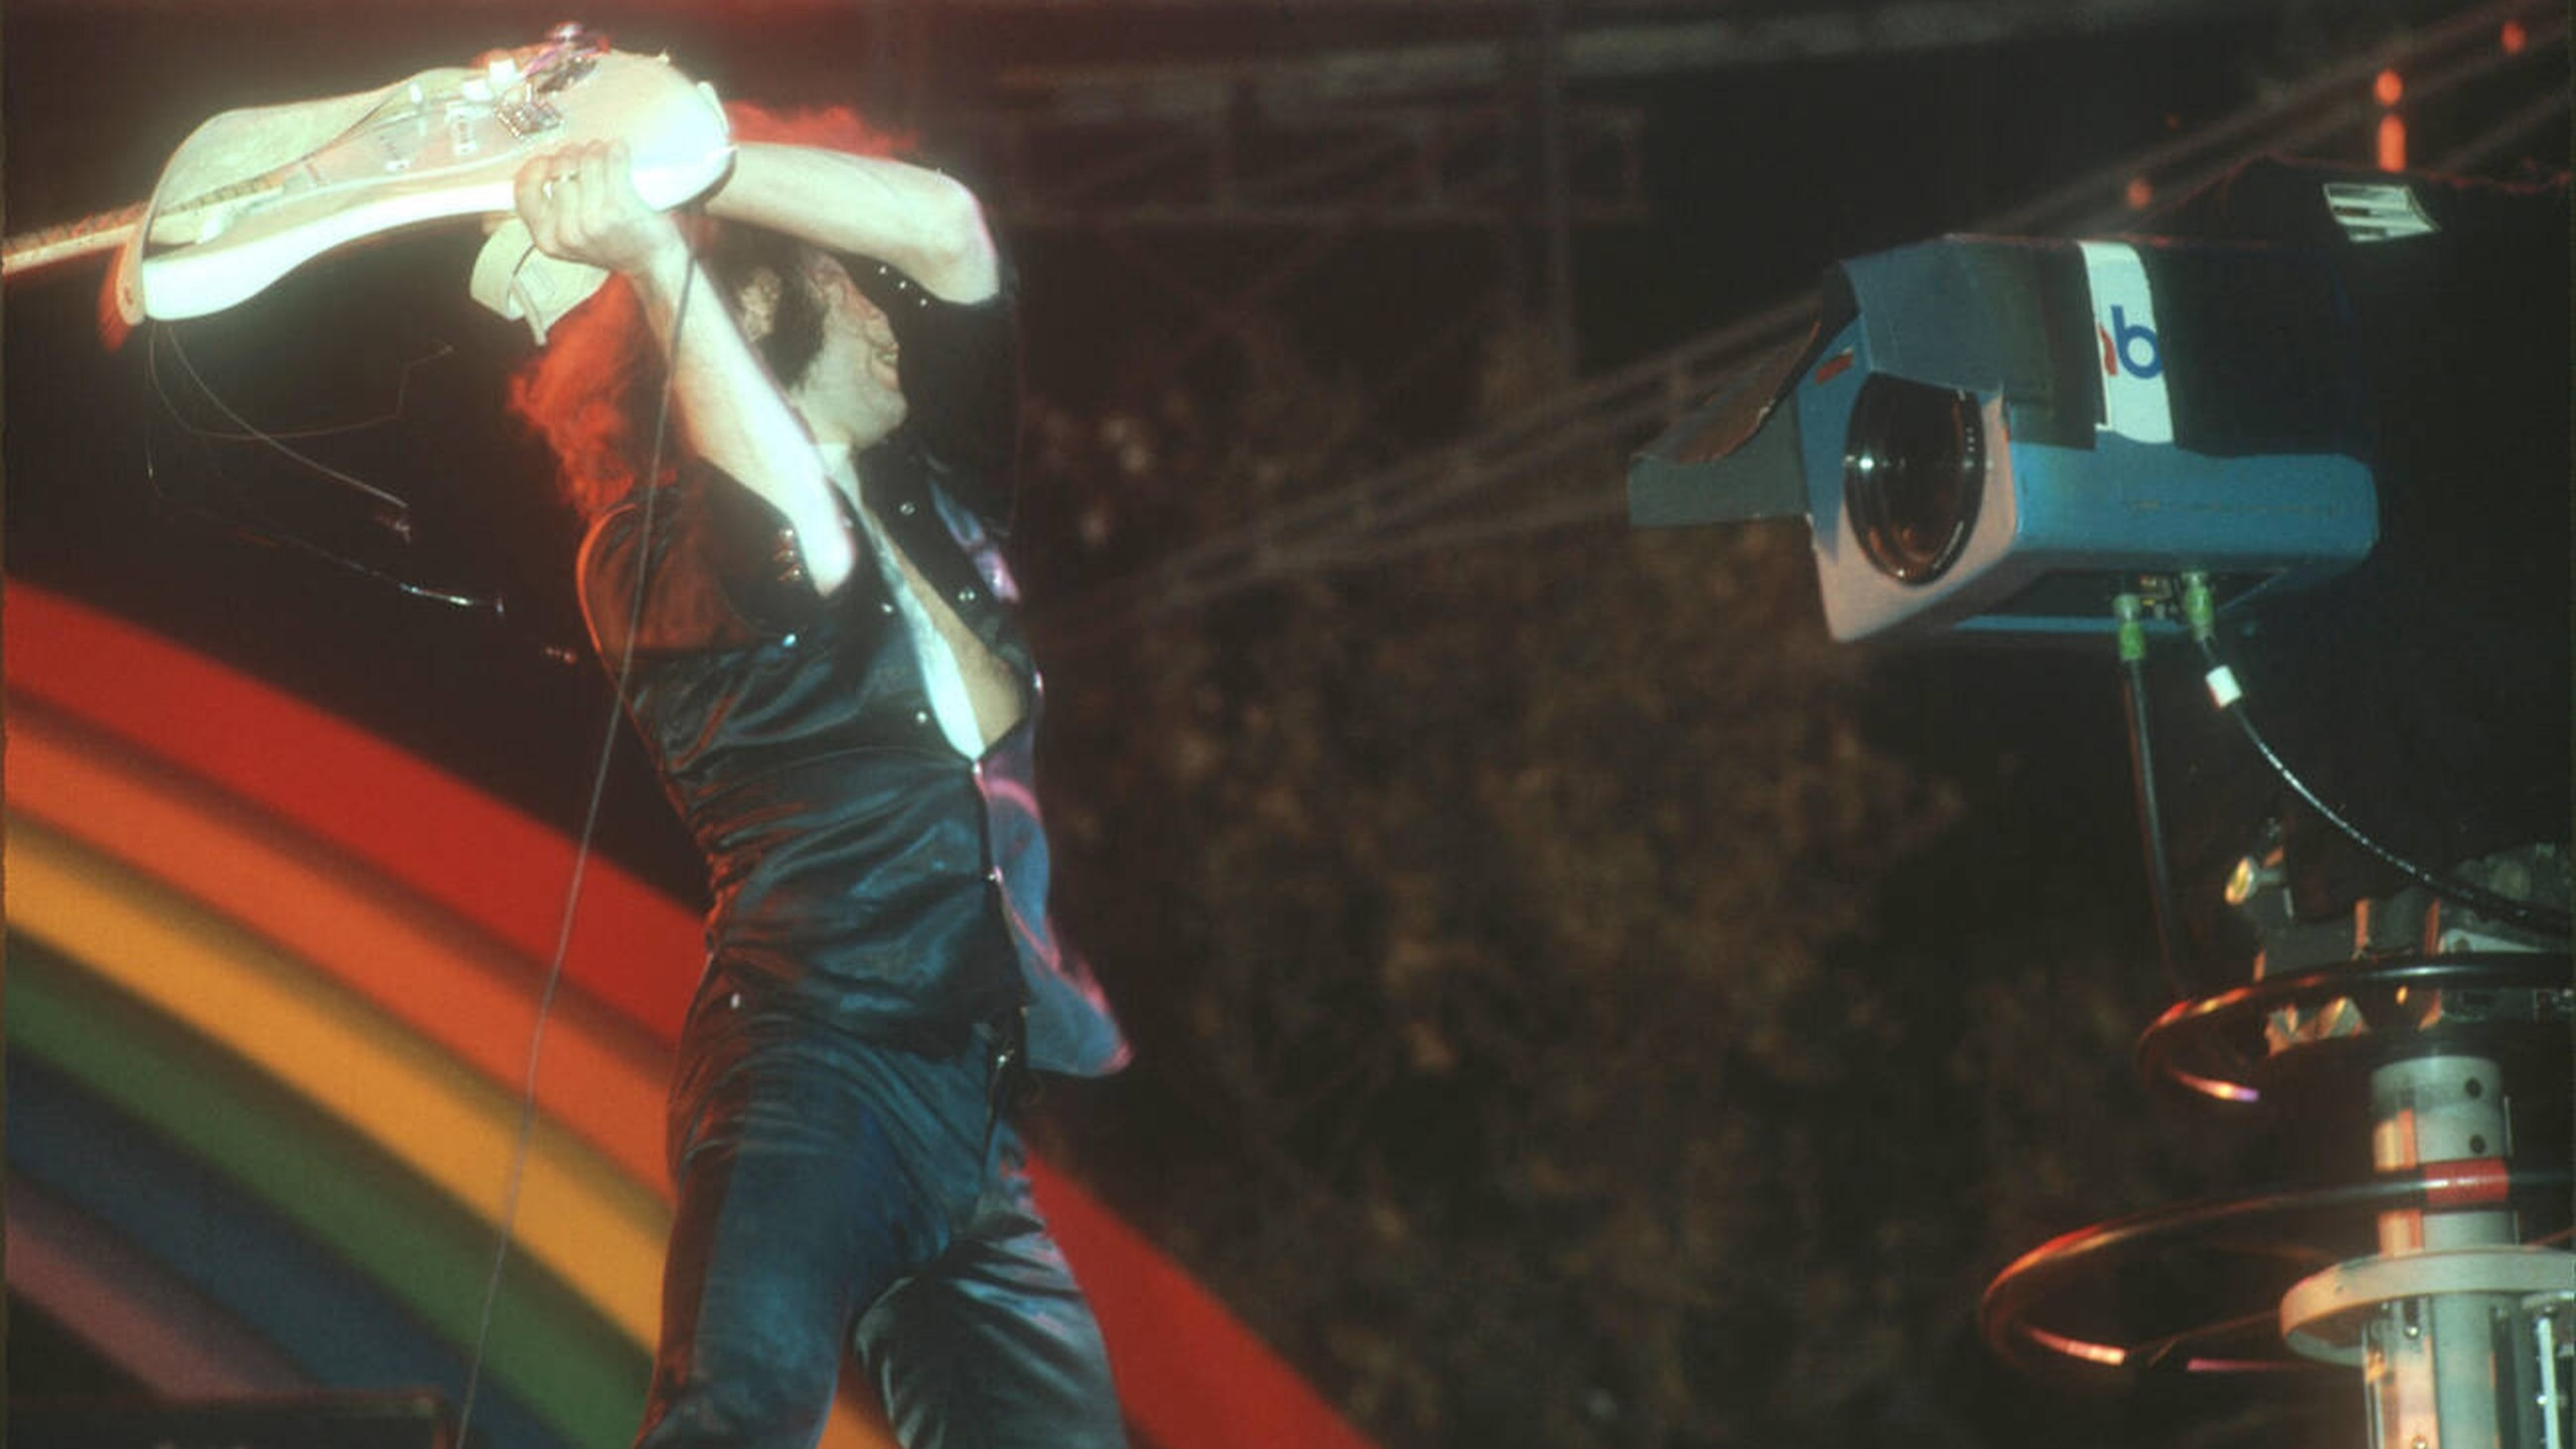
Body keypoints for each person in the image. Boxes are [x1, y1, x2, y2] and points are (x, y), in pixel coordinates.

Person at [505, 108, 1131, 1449]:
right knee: (734, 1420)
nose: (886, 310)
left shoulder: (938, 489)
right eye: (846, 287)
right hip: (809, 1070)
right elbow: (797, 547)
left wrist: (686, 164)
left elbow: (950, 229)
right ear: (759, 305)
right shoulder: (644, 556)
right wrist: (660, 257)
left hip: (970, 1113)